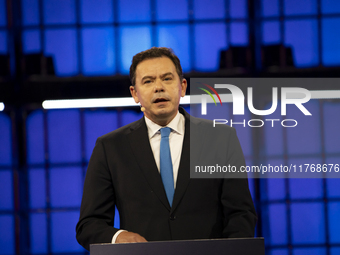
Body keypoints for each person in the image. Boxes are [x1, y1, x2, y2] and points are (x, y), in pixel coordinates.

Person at [76, 47, 257, 251]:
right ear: (134, 93)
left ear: (182, 87)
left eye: (167, 79)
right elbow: (89, 225)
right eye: (148, 81)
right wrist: (118, 237)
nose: (159, 87)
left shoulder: (221, 138)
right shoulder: (110, 148)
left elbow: (241, 215)